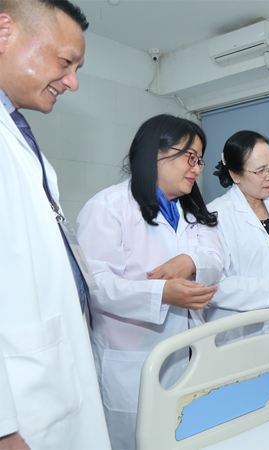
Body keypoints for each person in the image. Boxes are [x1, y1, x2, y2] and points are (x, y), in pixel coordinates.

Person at [0, 1, 111, 448]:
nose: (72, 82)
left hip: (46, 381)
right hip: (20, 410)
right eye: (65, 62)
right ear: (4, 31)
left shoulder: (18, 137)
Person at [77, 114, 223, 449]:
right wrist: (161, 293)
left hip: (189, 355)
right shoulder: (108, 207)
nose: (196, 168)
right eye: (190, 157)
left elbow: (216, 259)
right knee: (138, 440)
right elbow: (95, 286)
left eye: (199, 160)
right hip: (133, 360)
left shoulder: (190, 211)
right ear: (155, 152)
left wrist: (191, 261)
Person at [206, 131, 269, 342]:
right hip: (237, 334)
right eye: (261, 170)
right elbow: (215, 285)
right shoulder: (215, 215)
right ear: (235, 175)